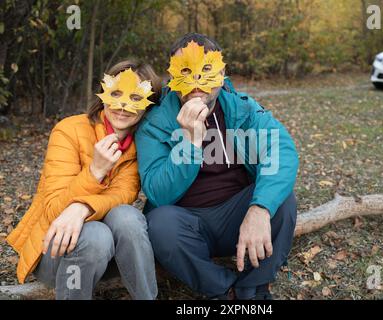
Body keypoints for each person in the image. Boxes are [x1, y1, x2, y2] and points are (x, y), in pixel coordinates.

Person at [136, 33, 299, 300]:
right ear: (173, 76)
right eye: (186, 70)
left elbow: (281, 151)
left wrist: (258, 209)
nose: (197, 80)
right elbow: (158, 192)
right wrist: (189, 141)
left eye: (207, 69)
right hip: (185, 220)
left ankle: (253, 289)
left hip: (236, 212)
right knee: (159, 224)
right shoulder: (155, 124)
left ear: (222, 73)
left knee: (281, 200)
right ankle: (221, 289)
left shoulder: (243, 109)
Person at [6, 60, 161, 300]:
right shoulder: (68, 130)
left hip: (109, 257)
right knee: (95, 234)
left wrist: (82, 208)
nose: (122, 106)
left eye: (134, 98)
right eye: (116, 93)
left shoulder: (140, 144)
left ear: (148, 103)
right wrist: (95, 171)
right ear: (104, 93)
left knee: (128, 217)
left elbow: (123, 196)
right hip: (55, 251)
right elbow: (54, 209)